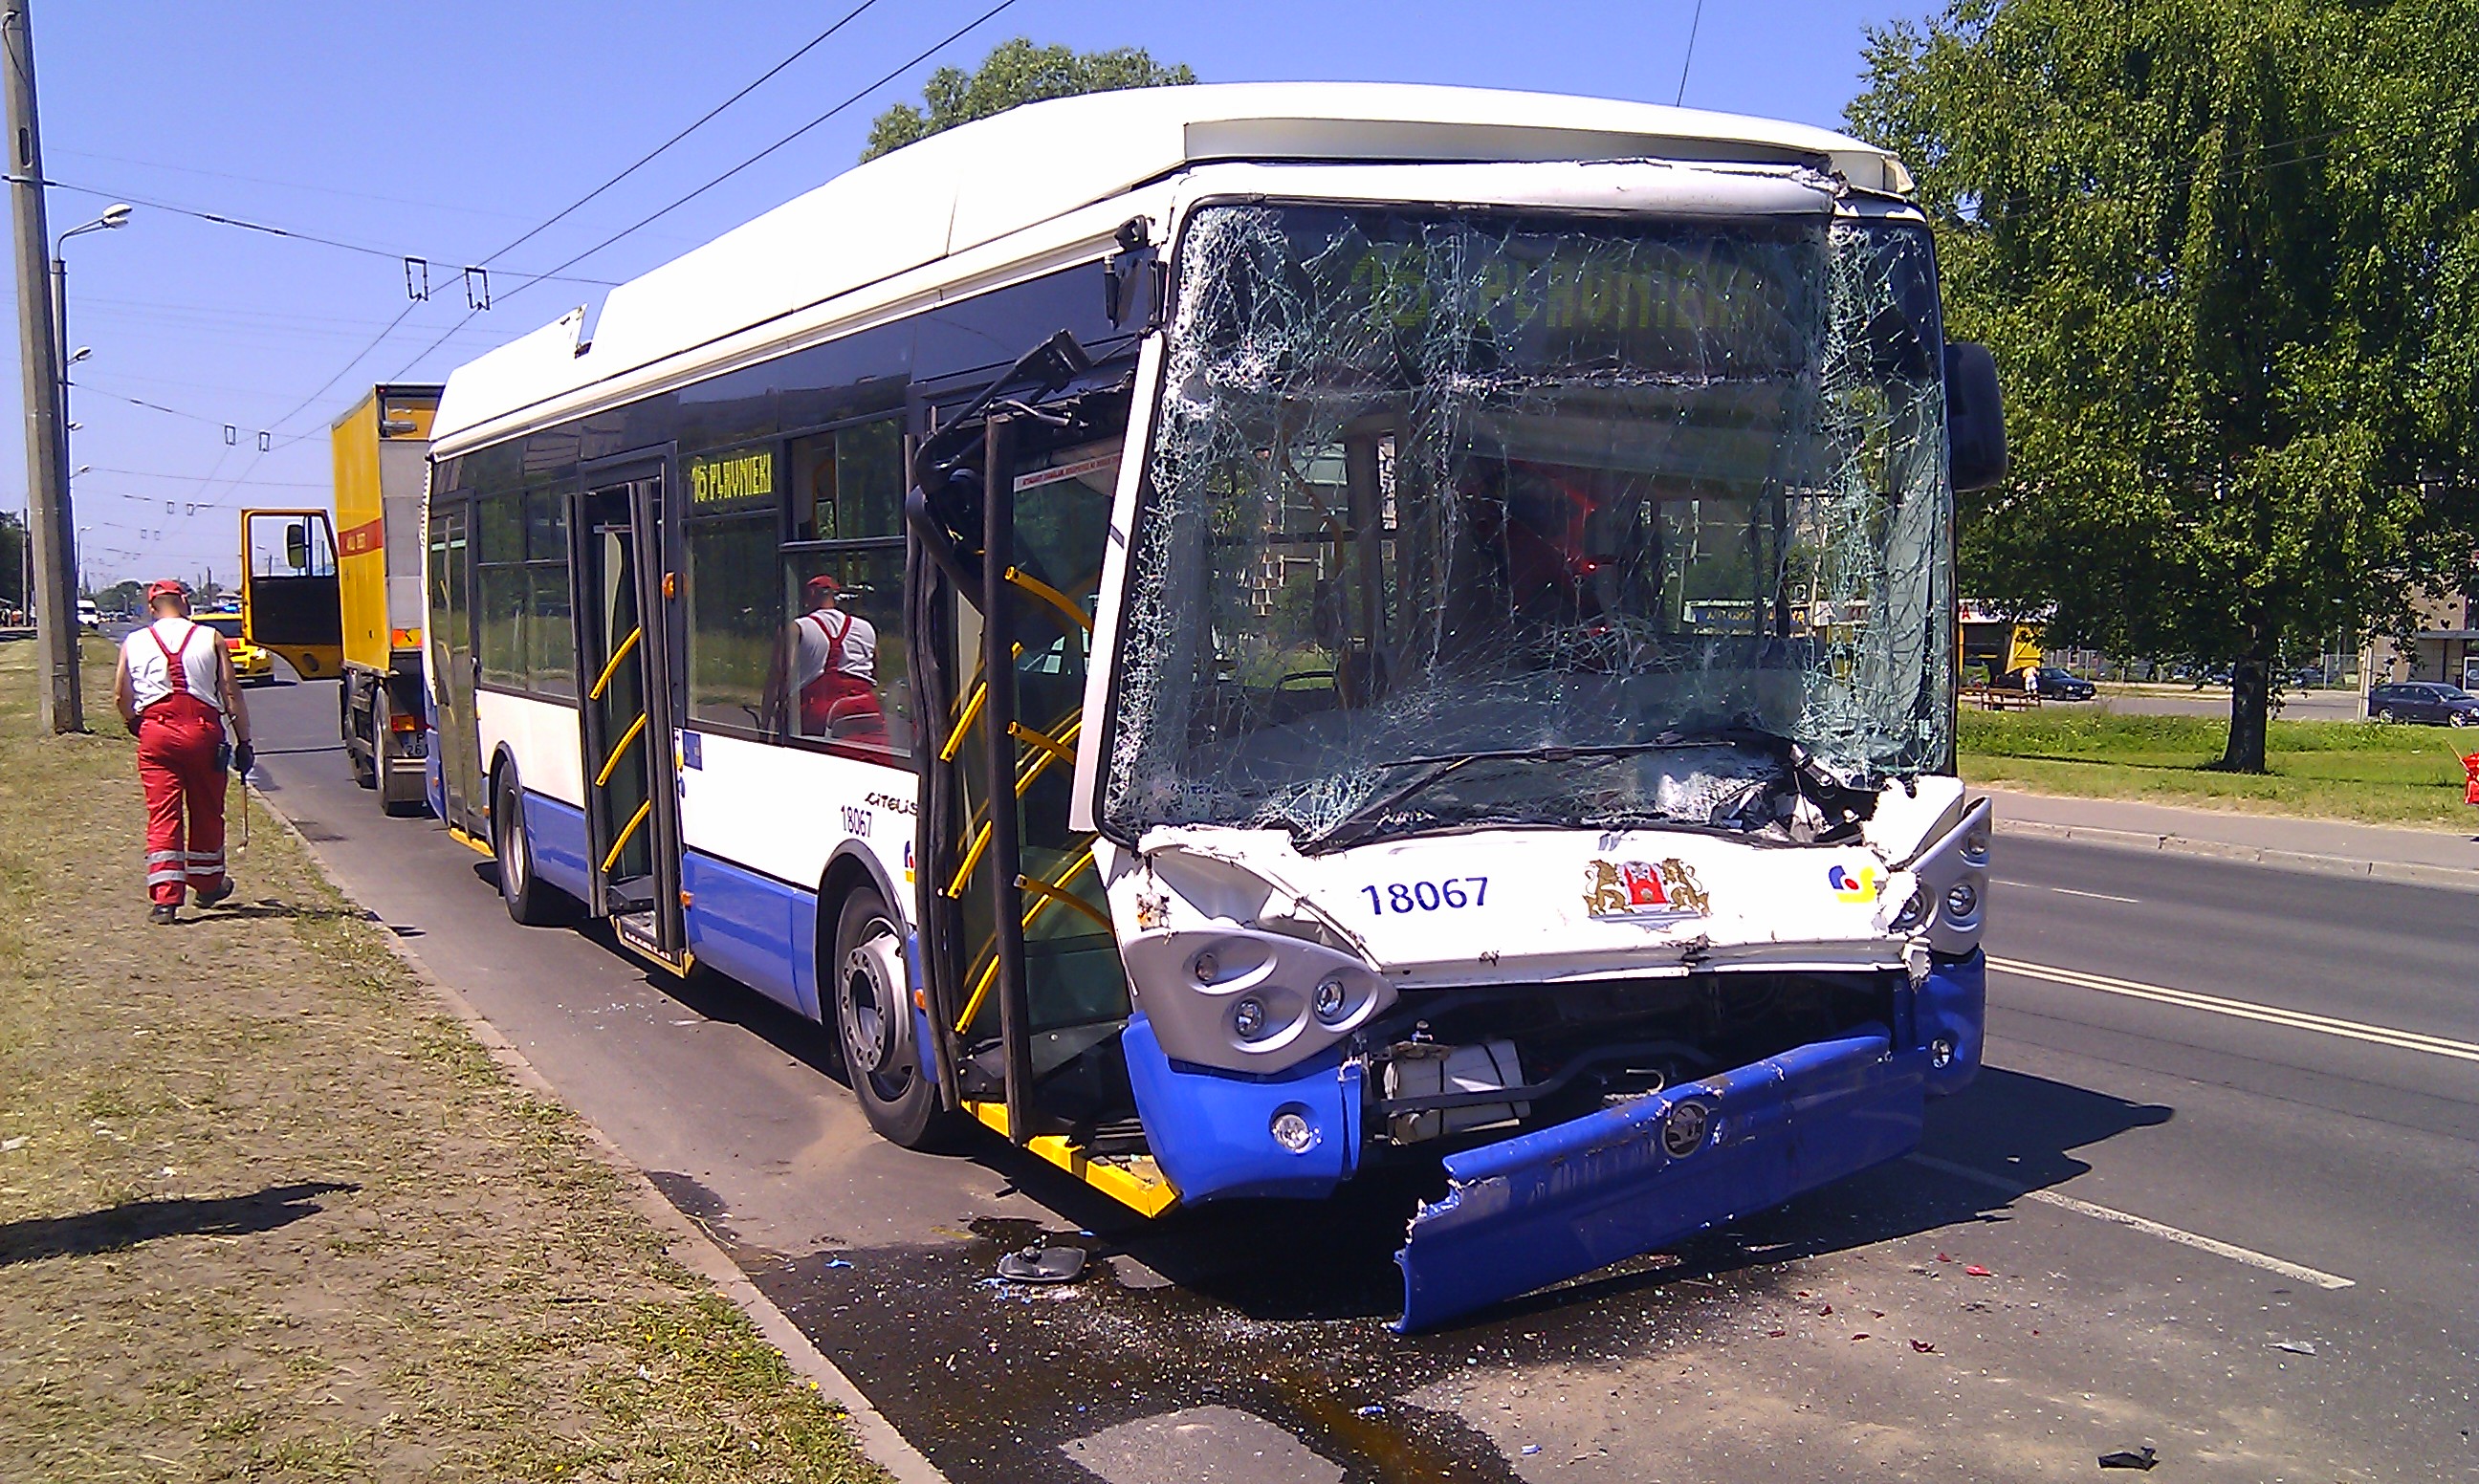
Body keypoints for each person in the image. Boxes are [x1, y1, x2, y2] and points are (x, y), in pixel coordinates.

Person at [112, 580, 252, 924]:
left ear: (151, 607)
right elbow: (230, 692)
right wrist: (244, 741)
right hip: (202, 731)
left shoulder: (134, 641)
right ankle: (207, 885)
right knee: (206, 808)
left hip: (155, 732)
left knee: (162, 814)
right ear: (185, 602)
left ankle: (165, 900)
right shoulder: (210, 638)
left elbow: (120, 695)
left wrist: (135, 724)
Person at [782, 574, 887, 748]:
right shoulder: (866, 626)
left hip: (820, 712)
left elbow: (782, 674)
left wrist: (765, 724)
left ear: (811, 595)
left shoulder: (798, 627)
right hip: (866, 706)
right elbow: (875, 670)